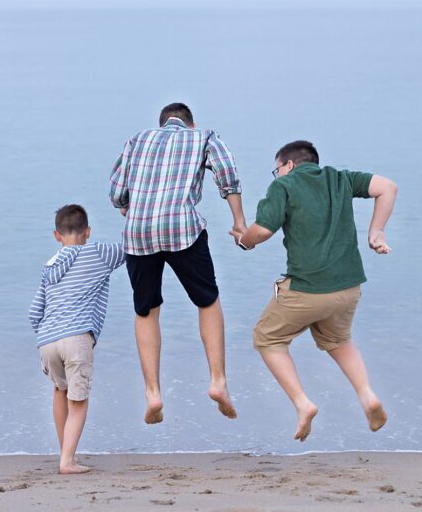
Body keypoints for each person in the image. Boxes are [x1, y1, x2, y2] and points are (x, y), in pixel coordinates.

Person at [235, 140, 397, 442]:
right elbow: (388, 187)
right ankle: (367, 396)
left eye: (277, 169)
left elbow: (263, 230)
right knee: (338, 339)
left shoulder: (283, 186)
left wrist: (245, 239)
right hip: (348, 289)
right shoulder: (340, 178)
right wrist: (376, 231)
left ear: (289, 165)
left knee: (267, 338)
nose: (277, 175)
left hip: (307, 290)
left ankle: (302, 403)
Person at [109, 102, 247, 424]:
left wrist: (130, 205)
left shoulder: (137, 140)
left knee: (146, 310)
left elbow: (117, 193)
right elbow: (228, 174)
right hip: (182, 228)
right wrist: (239, 222)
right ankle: (217, 382)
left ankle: (153, 393)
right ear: (190, 122)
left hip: (138, 234)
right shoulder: (203, 137)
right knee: (208, 301)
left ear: (161, 124)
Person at [29, 204, 126, 474]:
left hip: (48, 339)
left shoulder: (48, 268)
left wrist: (47, 332)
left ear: (56, 236)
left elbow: (34, 312)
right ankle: (67, 461)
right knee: (78, 401)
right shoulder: (97, 252)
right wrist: (130, 212)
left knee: (60, 390)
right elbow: (131, 246)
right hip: (77, 337)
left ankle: (65, 452)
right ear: (88, 231)